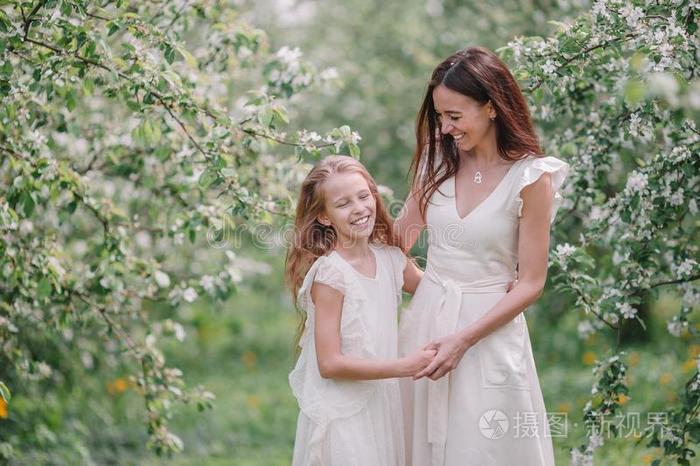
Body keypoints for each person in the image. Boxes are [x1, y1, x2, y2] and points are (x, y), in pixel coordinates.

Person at [395, 46, 569, 466]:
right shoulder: (435, 166)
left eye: (455, 116)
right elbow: (393, 247)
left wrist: (463, 338)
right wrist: (431, 289)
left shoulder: (530, 177)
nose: (445, 128)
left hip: (488, 337)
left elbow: (531, 281)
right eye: (439, 116)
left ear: (491, 107)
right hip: (426, 331)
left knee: (483, 447)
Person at [286, 155, 434, 466]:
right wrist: (406, 366)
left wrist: (491, 283)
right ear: (325, 217)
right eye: (343, 204)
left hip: (382, 405)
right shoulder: (330, 275)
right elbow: (330, 363)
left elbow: (436, 290)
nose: (359, 208)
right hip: (344, 413)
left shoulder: (391, 258)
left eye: (364, 196)